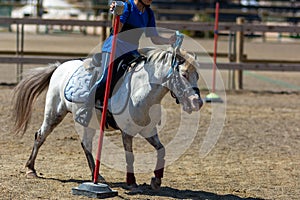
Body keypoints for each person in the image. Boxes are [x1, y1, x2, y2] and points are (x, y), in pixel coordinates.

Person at [76, 0, 176, 127]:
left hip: (132, 51)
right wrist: (117, 14)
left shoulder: (149, 13)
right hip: (114, 48)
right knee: (106, 78)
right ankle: (85, 109)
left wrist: (169, 40)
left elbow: (154, 38)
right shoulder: (127, 7)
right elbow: (116, 30)